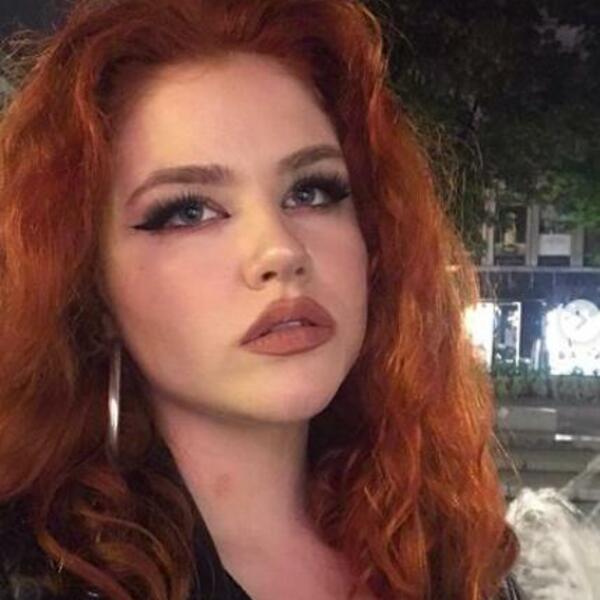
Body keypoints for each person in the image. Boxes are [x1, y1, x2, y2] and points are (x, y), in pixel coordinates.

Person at [0, 0, 525, 598]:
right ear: (87, 288)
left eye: (312, 192)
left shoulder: (455, 555)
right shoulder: (31, 574)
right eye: (188, 211)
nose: (280, 250)